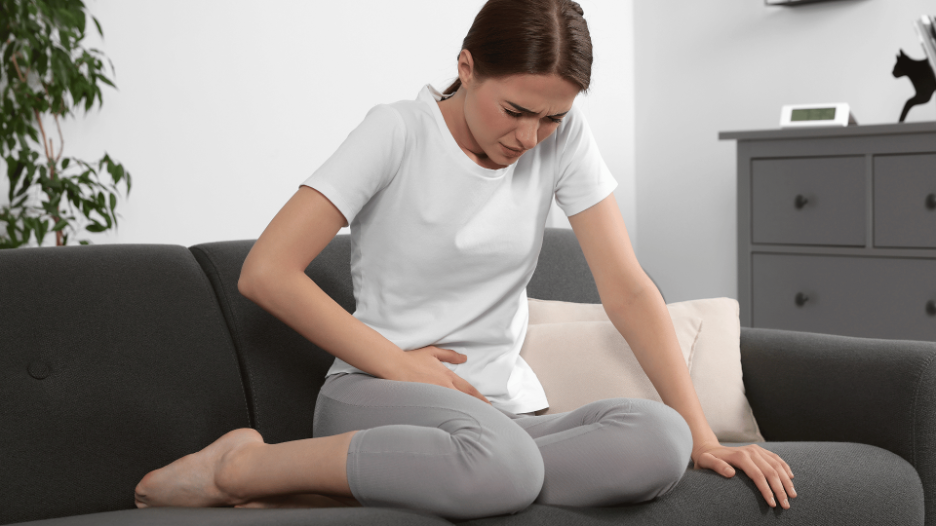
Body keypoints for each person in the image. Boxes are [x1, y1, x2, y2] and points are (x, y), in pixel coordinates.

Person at [132, 0, 796, 519]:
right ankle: (240, 469)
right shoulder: (397, 132)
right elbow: (266, 271)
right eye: (515, 111)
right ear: (468, 65)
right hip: (378, 392)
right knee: (503, 467)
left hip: (506, 415)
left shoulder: (560, 142)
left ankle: (409, 485)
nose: (529, 137)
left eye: (552, 120)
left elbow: (625, 288)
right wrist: (399, 363)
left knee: (660, 441)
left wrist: (703, 434)